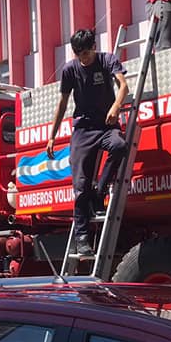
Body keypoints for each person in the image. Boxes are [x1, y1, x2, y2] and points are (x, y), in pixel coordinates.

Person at [46, 29, 129, 257]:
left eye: (86, 53)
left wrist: (116, 107)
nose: (83, 58)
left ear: (94, 47)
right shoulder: (70, 70)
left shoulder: (107, 60)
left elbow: (123, 86)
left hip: (106, 125)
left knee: (119, 146)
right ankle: (82, 238)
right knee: (81, 185)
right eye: (78, 54)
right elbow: (62, 103)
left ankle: (99, 192)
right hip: (83, 129)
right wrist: (52, 136)